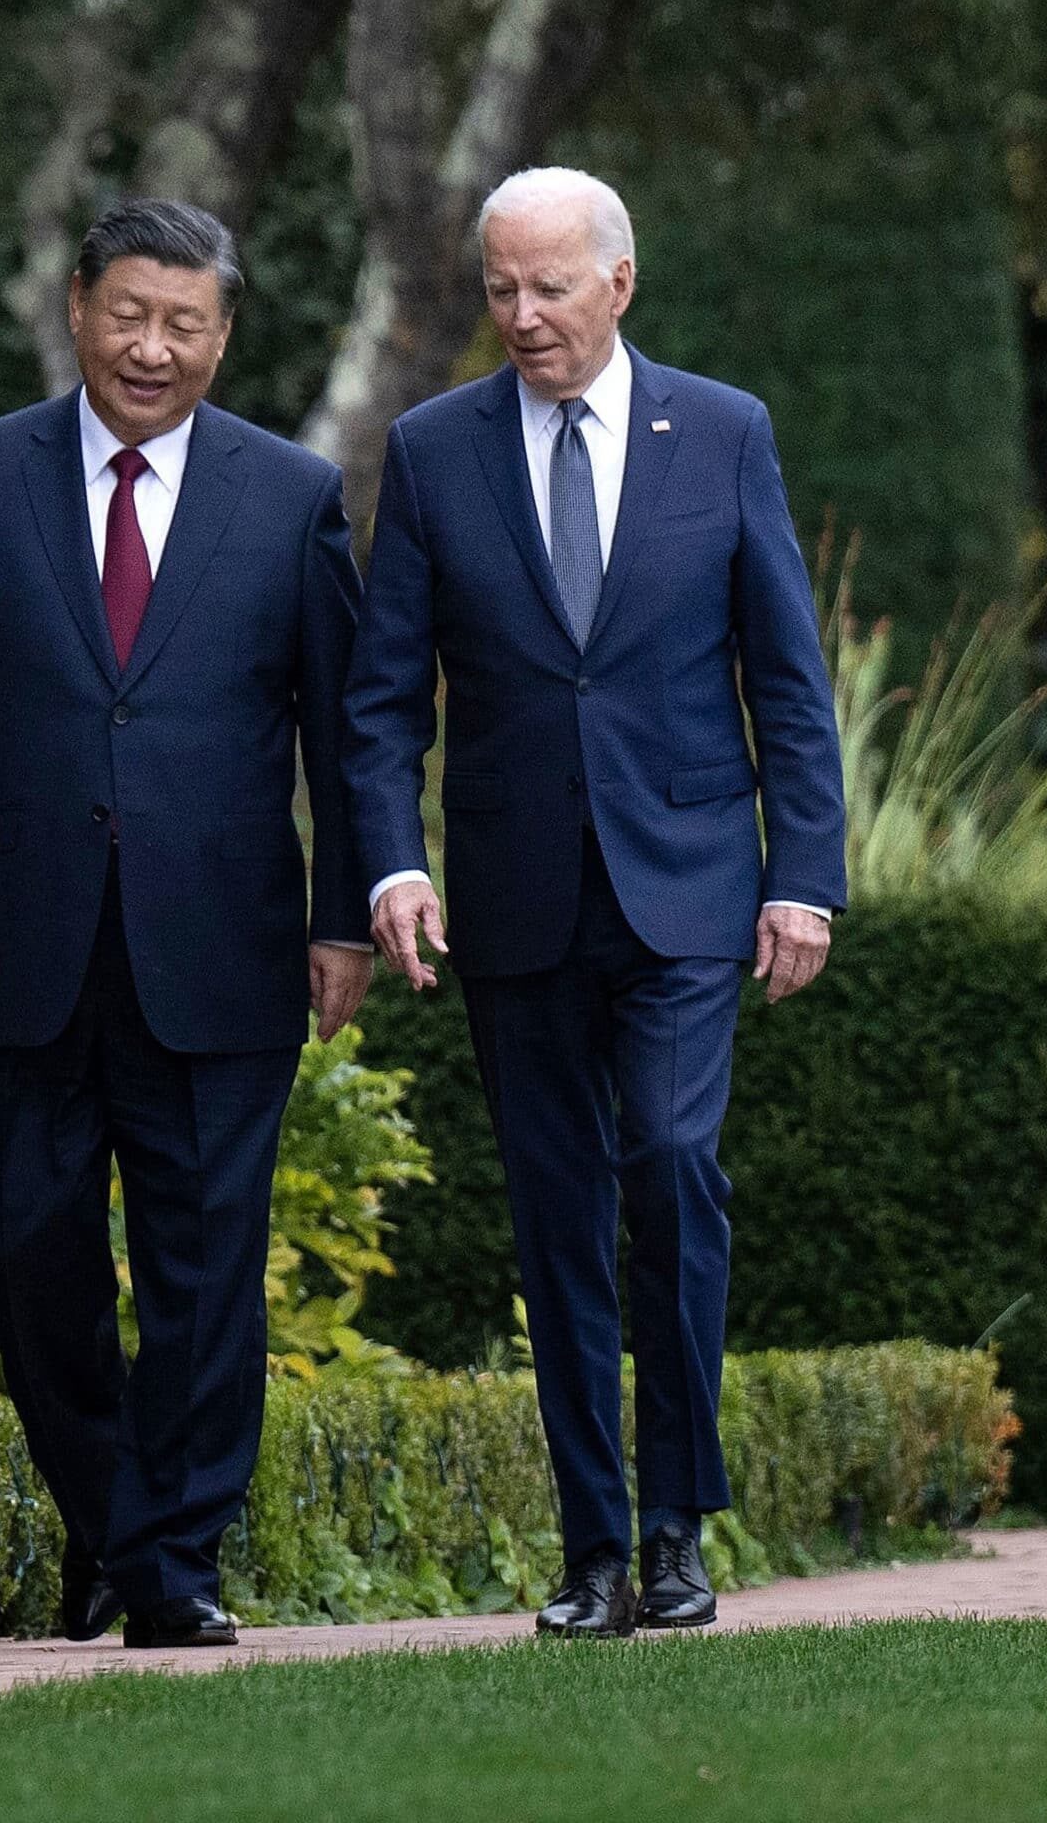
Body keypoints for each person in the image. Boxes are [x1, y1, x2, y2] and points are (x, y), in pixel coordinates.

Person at [343, 166, 845, 1636]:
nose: (523, 316)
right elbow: (383, 702)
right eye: (500, 288)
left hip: (689, 888)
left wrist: (804, 876)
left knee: (674, 1169)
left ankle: (679, 1526)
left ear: (620, 282)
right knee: (557, 1215)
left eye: (551, 287)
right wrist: (392, 858)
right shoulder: (434, 452)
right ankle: (593, 1553)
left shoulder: (726, 432)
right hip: (516, 901)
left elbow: (787, 682)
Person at [0, 198, 371, 1650]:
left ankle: (172, 1568)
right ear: (78, 305)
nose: (151, 347)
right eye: (128, 314)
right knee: (27, 1250)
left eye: (186, 323)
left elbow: (342, 735)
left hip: (221, 947)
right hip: (27, 941)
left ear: (223, 334)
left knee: (208, 1266)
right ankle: (112, 1517)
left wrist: (343, 915)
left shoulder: (290, 495)